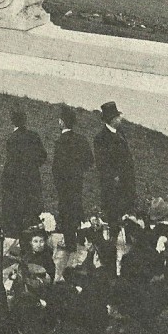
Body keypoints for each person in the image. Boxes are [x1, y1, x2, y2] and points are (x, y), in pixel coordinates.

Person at [0, 105, 47, 240]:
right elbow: (43, 155)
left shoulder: (12, 139)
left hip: (17, 183)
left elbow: (11, 163)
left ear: (12, 121)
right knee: (31, 211)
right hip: (32, 180)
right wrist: (33, 167)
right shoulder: (34, 136)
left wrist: (7, 180)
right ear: (25, 120)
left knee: (17, 212)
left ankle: (18, 238)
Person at [52, 105, 93, 251]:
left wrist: (59, 181)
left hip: (64, 183)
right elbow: (89, 160)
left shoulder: (60, 141)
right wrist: (78, 171)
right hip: (77, 181)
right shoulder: (81, 139)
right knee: (78, 206)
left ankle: (70, 243)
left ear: (62, 122)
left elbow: (56, 167)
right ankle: (81, 238)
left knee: (65, 210)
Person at [93, 100, 136, 235]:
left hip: (126, 181)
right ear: (111, 120)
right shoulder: (101, 138)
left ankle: (129, 238)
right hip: (113, 184)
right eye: (117, 117)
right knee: (113, 214)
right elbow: (102, 163)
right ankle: (112, 240)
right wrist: (114, 177)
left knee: (127, 210)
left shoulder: (120, 132)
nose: (120, 118)